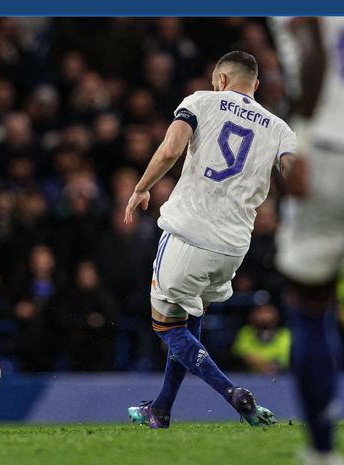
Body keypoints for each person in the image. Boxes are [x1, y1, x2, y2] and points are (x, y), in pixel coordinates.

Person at [124, 50, 296, 428]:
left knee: (166, 327)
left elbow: (171, 149)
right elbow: (295, 177)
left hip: (188, 233)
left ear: (220, 80)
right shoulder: (279, 127)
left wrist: (141, 187)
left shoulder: (200, 101)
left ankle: (232, 393)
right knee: (189, 318)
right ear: (256, 86)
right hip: (233, 248)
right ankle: (162, 409)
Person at [274, 17, 344, 465]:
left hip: (330, 150)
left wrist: (301, 134)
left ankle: (322, 451)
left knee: (309, 302)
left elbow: (311, 43)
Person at [232, 303, 290, 375]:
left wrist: (268, 366)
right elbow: (241, 352)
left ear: (276, 315)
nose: (263, 316)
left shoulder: (284, 333)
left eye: (267, 312)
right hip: (248, 375)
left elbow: (284, 357)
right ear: (252, 315)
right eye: (260, 312)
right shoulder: (246, 331)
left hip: (278, 375)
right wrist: (259, 363)